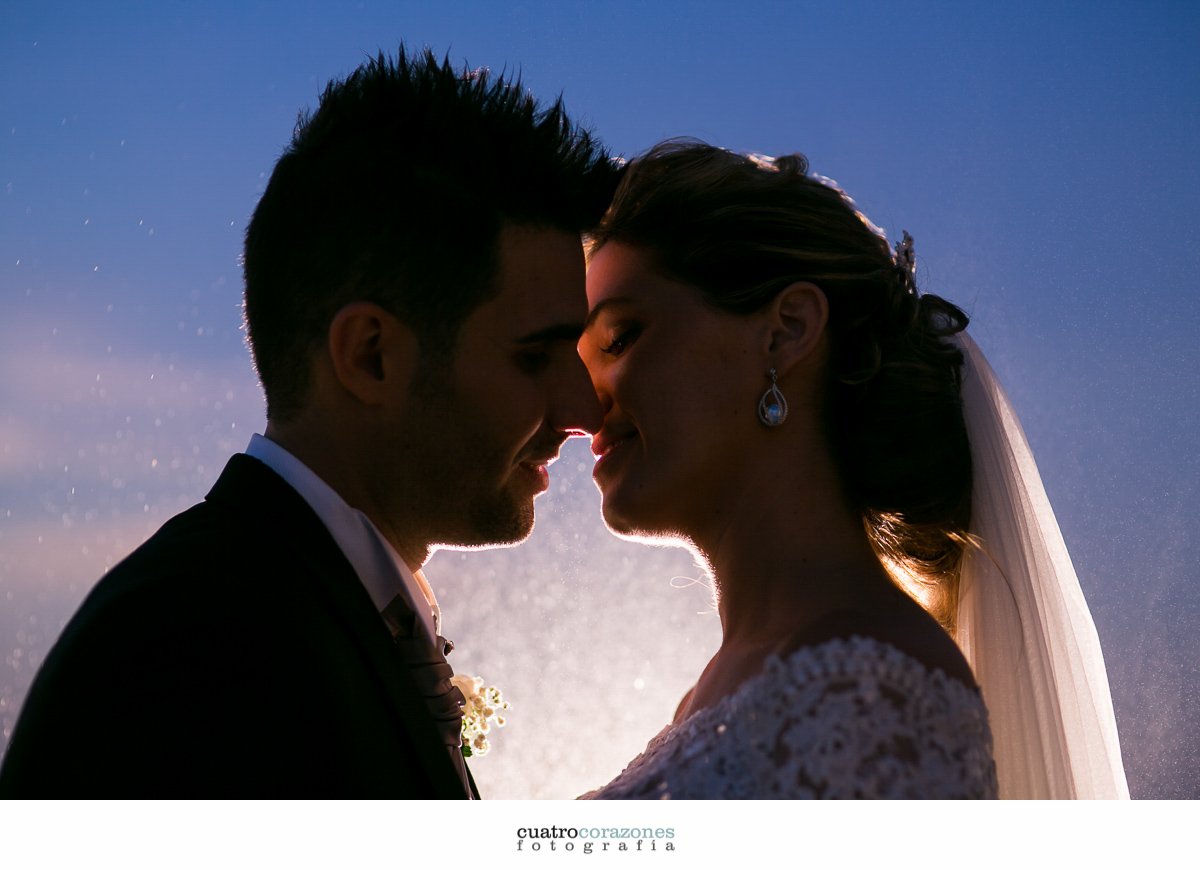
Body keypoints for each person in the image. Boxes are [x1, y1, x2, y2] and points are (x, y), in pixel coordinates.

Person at [0, 49, 619, 797]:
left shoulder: (288, 609)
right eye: (535, 356)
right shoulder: (194, 647)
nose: (584, 411)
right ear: (370, 356)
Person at [578, 141, 1128, 799]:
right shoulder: (733, 689)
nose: (586, 401)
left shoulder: (872, 695)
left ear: (785, 331)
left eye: (619, 339)